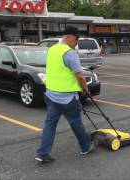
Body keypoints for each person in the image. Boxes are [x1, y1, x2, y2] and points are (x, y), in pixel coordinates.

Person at [35, 26, 93, 163]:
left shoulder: (52, 49)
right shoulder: (69, 53)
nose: (76, 44)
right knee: (76, 123)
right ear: (70, 37)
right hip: (67, 98)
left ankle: (43, 153)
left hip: (51, 95)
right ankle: (85, 147)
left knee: (50, 124)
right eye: (76, 41)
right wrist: (86, 90)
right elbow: (79, 75)